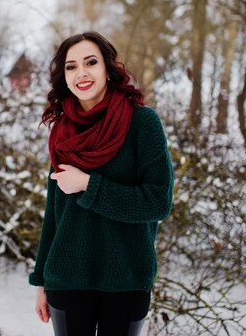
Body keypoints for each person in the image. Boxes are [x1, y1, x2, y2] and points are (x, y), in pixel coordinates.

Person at [28, 31, 174, 336]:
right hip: (66, 280)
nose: (81, 73)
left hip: (127, 280)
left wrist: (89, 185)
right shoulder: (63, 130)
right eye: (71, 66)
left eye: (90, 62)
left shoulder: (142, 123)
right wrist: (42, 280)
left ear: (108, 69)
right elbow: (54, 215)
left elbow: (158, 202)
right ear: (63, 76)